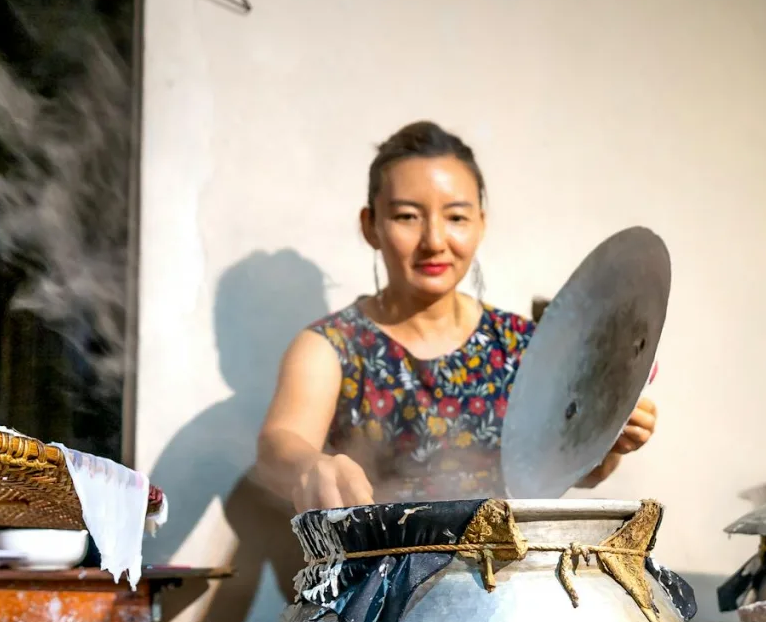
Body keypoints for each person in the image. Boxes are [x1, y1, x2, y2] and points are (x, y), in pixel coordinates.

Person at [256, 121, 657, 512]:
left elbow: (576, 471)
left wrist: (610, 434)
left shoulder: (524, 344)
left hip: (502, 573)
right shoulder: (332, 347)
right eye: (407, 216)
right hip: (378, 573)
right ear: (371, 226)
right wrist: (310, 466)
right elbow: (279, 443)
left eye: (456, 217)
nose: (434, 241)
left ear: (481, 224)